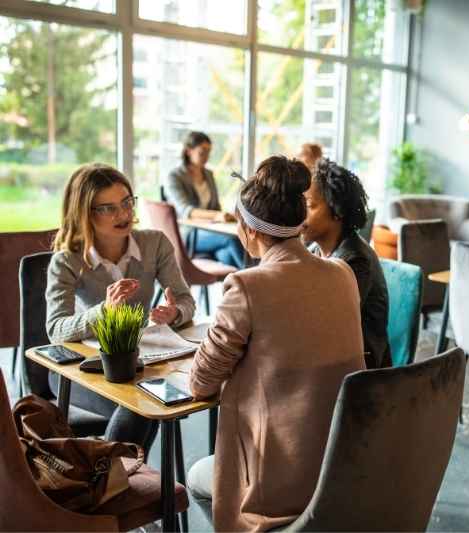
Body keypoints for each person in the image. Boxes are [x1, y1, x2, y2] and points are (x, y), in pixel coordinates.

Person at [186, 155, 365, 531]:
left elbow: (200, 382)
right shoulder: (343, 273)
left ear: (249, 230)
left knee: (197, 478)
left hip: (281, 482)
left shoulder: (247, 286)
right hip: (343, 469)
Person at [46, 163, 195, 453]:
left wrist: (173, 313)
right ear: (85, 213)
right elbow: (55, 330)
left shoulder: (154, 244)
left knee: (150, 397)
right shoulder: (66, 261)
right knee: (141, 403)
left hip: (139, 363)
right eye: (109, 208)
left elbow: (186, 301)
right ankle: (114, 476)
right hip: (79, 370)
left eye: (127, 202)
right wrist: (106, 310)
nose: (124, 214)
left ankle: (114, 480)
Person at [301, 158, 390, 369]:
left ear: (337, 211)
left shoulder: (356, 261)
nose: (301, 215)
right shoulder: (316, 251)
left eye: (310, 206)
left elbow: (327, 323)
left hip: (361, 372)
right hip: (334, 357)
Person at [163, 131, 245, 269]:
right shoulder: (175, 176)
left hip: (211, 231)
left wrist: (226, 215)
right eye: (202, 152)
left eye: (209, 152)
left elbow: (215, 206)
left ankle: (247, 284)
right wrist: (218, 216)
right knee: (232, 239)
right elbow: (186, 211)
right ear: (189, 151)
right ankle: (257, 281)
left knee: (227, 255)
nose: (207, 156)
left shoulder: (208, 174)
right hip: (188, 234)